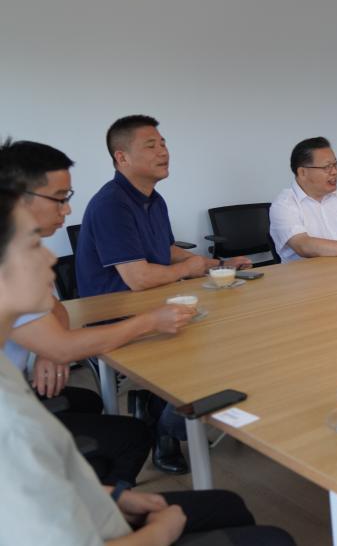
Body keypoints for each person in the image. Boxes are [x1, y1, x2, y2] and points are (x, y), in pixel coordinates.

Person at [0, 188, 296, 546]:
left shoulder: (8, 374)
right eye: (33, 245)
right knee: (274, 538)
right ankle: (165, 416)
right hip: (95, 531)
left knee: (228, 504)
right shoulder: (11, 424)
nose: (51, 257)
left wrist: (113, 497)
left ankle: (161, 416)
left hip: (90, 507)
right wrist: (161, 530)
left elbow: (53, 481)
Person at [0, 139, 196, 485]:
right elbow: (64, 338)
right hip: (11, 413)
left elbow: (56, 309)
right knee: (131, 436)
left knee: (87, 401)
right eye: (60, 198)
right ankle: (104, 505)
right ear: (18, 197)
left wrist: (49, 349)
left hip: (18, 386)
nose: (67, 210)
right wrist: (150, 321)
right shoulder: (107, 205)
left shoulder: (21, 248)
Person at [76, 115, 251, 473]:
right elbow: (138, 277)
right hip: (116, 317)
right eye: (151, 145)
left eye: (163, 143)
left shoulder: (154, 199)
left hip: (153, 303)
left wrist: (216, 264)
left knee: (235, 325)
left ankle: (157, 409)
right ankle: (165, 425)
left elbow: (165, 251)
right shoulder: (111, 204)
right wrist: (188, 270)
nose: (163, 151)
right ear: (122, 157)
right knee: (207, 351)